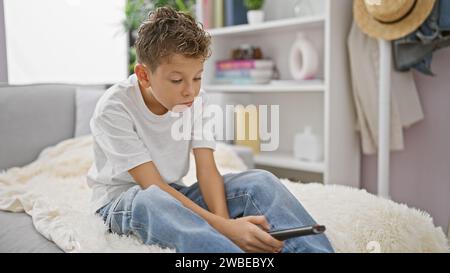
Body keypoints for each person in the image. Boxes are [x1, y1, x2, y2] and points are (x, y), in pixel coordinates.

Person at [87, 6, 334, 253]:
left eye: (197, 77)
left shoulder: (196, 100)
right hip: (123, 203)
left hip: (173, 192)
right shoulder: (114, 107)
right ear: (144, 75)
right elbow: (151, 185)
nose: (190, 91)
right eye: (177, 80)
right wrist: (227, 230)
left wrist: (226, 222)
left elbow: (206, 170)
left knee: (259, 181)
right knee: (153, 200)